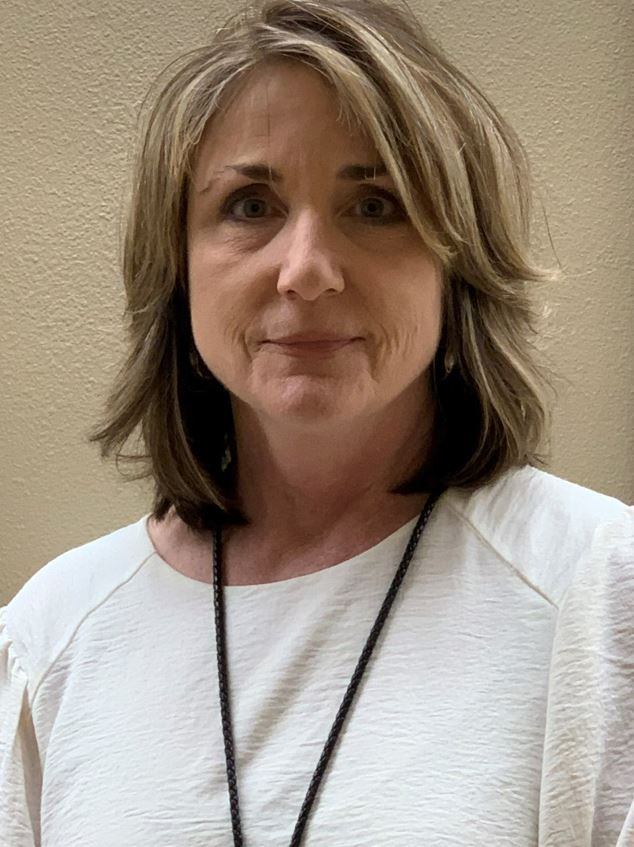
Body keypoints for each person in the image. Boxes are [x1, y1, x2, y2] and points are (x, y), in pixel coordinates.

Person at [1, 0, 632, 843]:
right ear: (178, 267)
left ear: (457, 264)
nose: (305, 270)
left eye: (374, 205)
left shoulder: (596, 591)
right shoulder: (49, 636)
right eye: (249, 206)